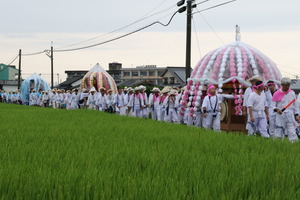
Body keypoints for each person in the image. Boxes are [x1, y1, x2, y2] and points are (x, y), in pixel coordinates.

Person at [272, 77, 300, 142]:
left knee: (291, 130)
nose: (287, 87)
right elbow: (272, 106)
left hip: (289, 115)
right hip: (280, 115)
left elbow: (295, 105)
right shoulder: (277, 93)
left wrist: (296, 115)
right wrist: (277, 110)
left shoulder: (292, 93)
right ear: (282, 85)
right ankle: (278, 144)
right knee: (279, 130)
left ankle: (293, 143)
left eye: (288, 85)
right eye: (285, 85)